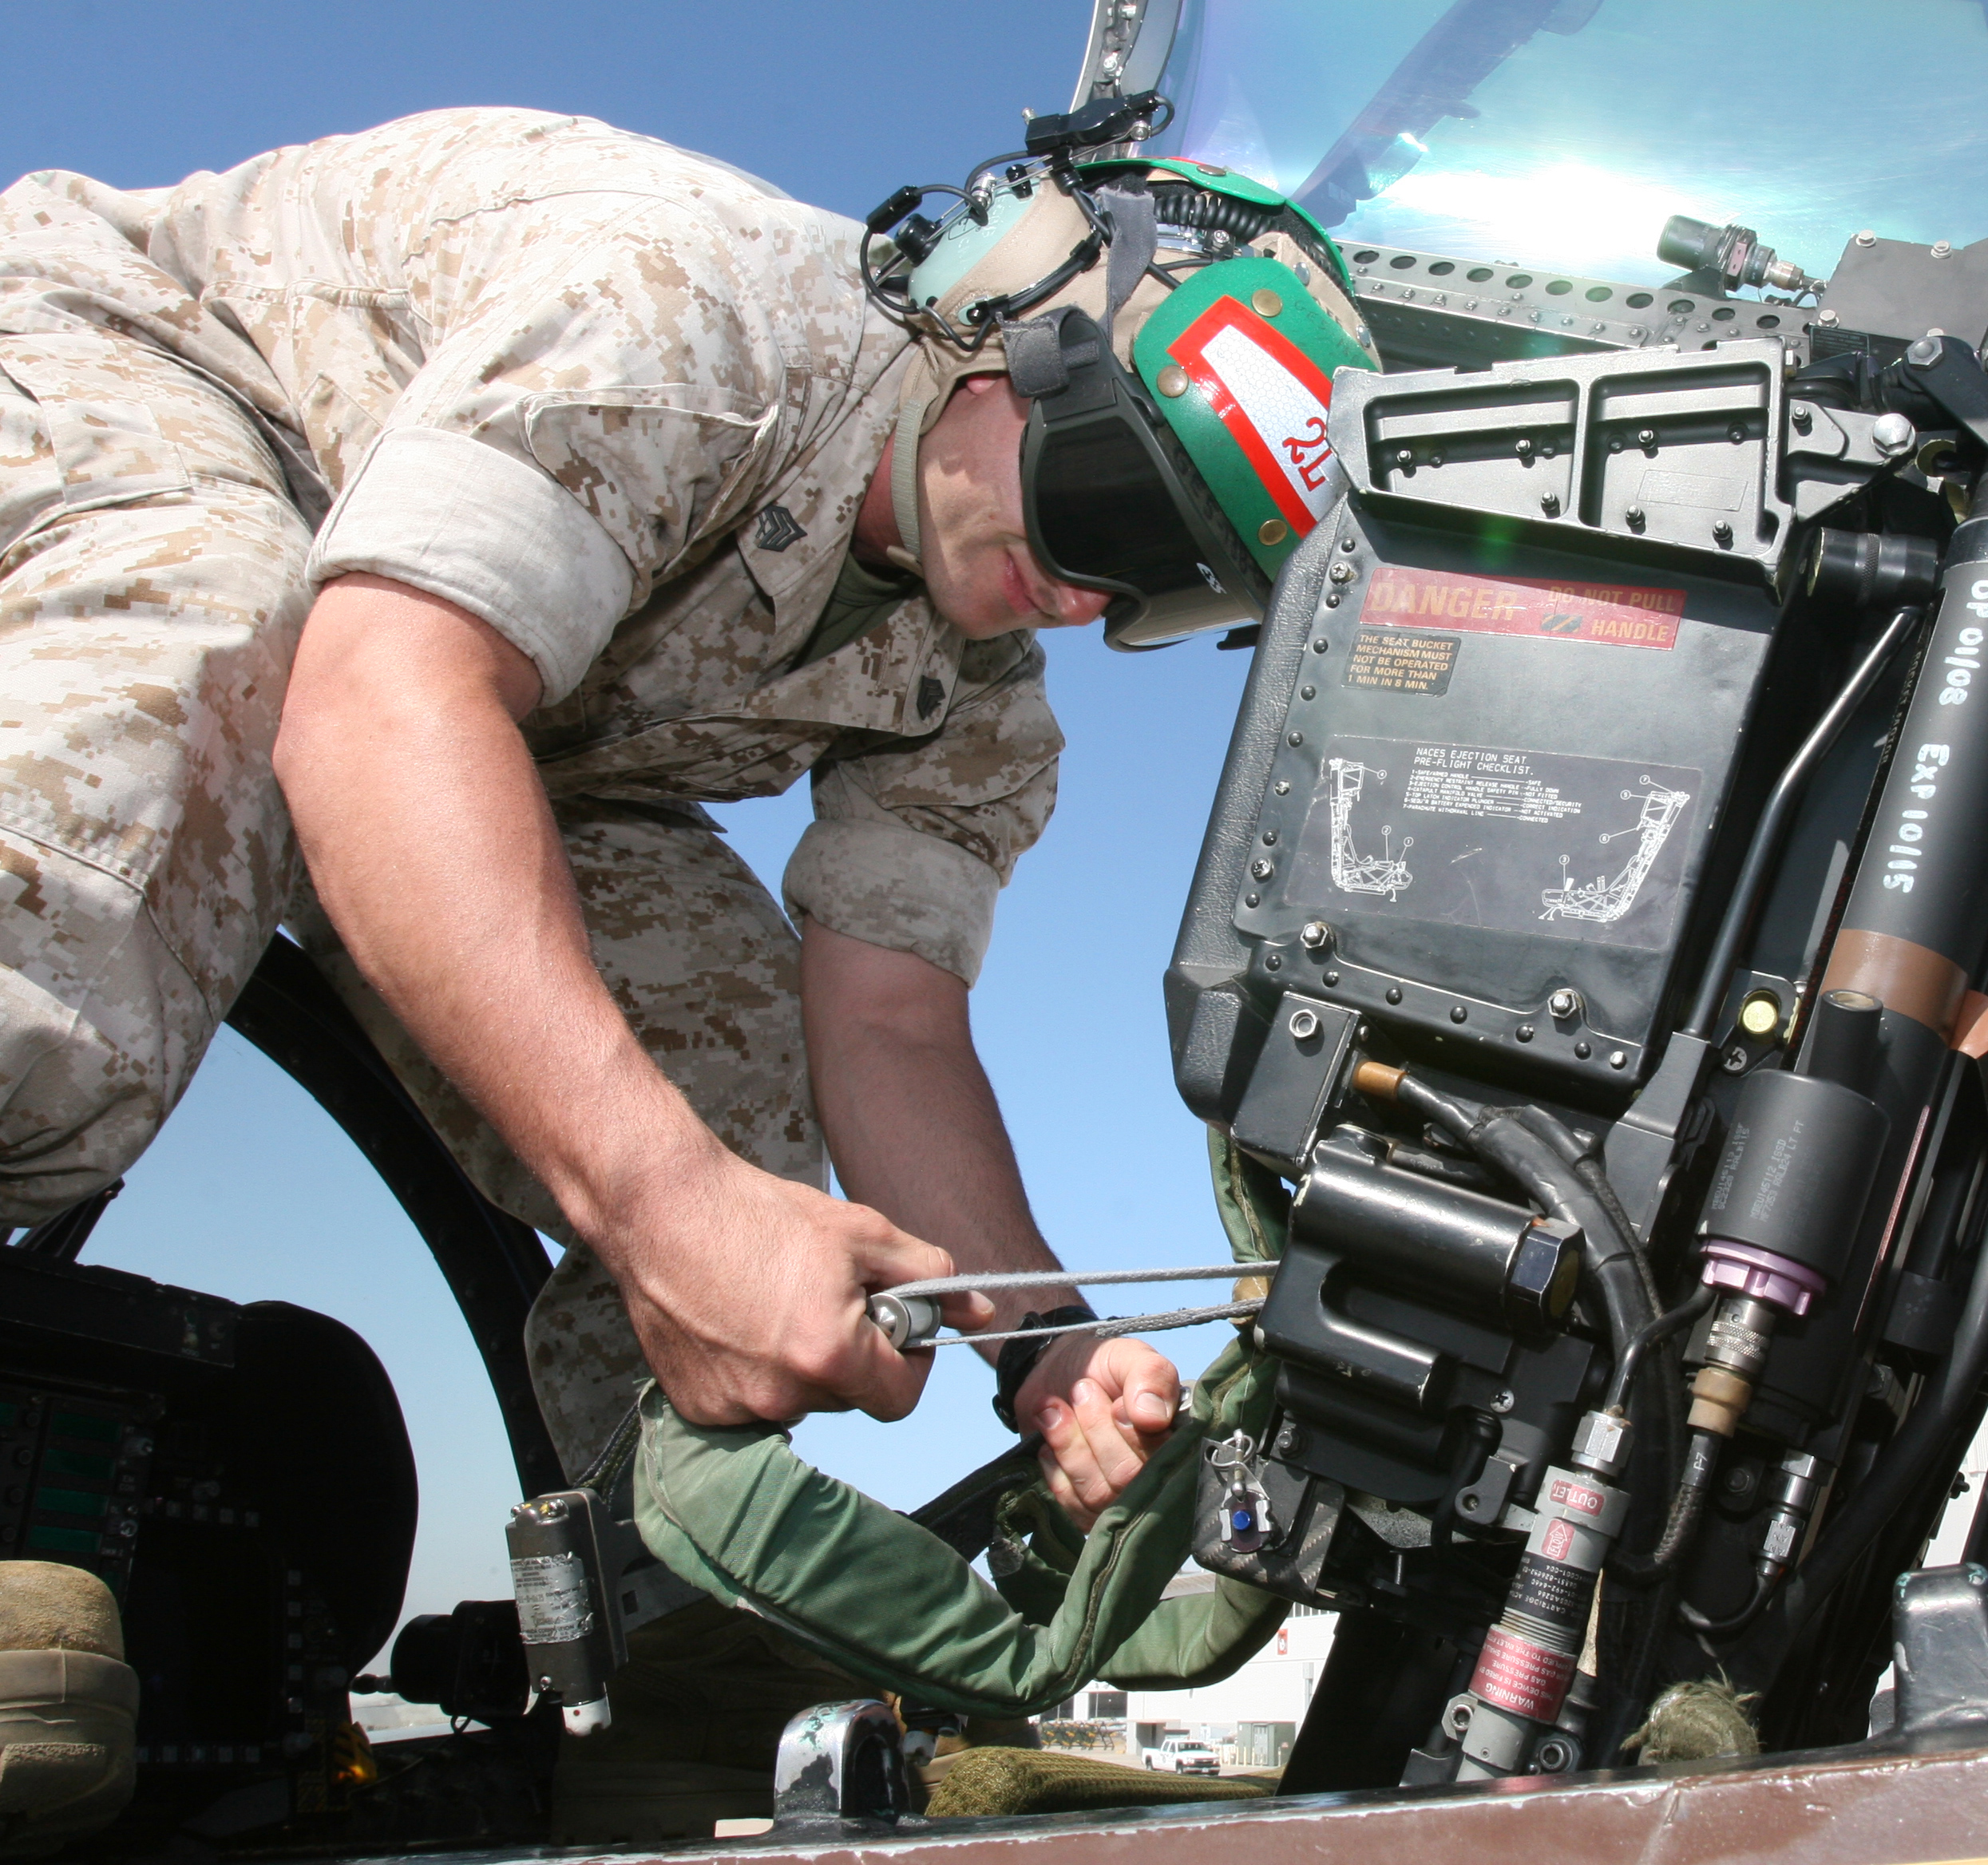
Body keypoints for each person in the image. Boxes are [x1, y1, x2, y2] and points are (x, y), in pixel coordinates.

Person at [0, 104, 1374, 1844]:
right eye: (1112, 503)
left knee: (735, 1087)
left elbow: (884, 1019)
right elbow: (374, 701)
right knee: (183, 709)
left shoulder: (981, 700)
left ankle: (661, 1640)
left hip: (501, 709)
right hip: (163, 400)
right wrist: (654, 1208)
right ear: (1015, 334)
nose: (1093, 595)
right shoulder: (687, 327)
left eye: (1163, 592)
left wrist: (1043, 1351)